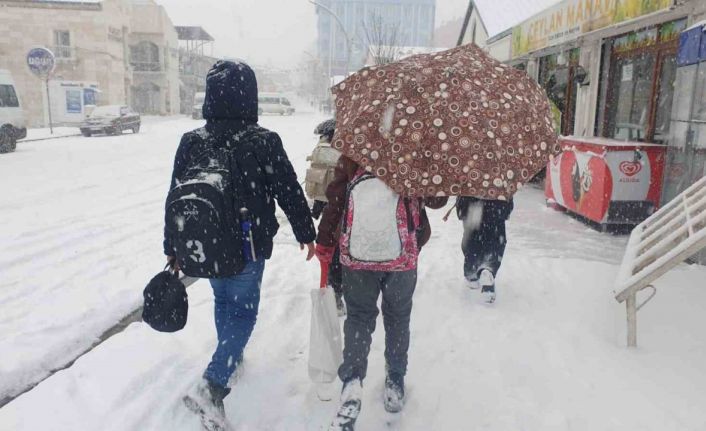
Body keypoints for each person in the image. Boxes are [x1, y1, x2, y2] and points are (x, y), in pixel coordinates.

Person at [163, 60, 316, 424]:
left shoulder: (192, 141)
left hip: (207, 244)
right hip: (246, 245)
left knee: (223, 301)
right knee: (244, 312)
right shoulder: (262, 141)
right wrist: (305, 232)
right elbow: (289, 190)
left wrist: (173, 245)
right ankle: (213, 384)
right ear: (250, 96)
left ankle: (229, 356)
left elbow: (173, 195)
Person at [316, 155, 447, 430]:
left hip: (357, 253)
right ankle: (395, 382)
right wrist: (437, 171)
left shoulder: (356, 149)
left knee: (359, 317)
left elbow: (336, 199)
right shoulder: (416, 150)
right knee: (398, 317)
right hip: (402, 256)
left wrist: (325, 240)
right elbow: (437, 202)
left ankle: (352, 383)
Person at [305, 118, 345, 313]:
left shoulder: (325, 137)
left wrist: (317, 209)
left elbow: (324, 179)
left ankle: (335, 292)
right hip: (345, 206)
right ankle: (339, 292)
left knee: (333, 253)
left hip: (329, 205)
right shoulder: (351, 138)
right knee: (342, 253)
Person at [456, 197, 514, 303]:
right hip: (498, 201)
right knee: (496, 239)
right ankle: (488, 269)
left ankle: (472, 272)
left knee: (472, 238)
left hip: (472, 200)